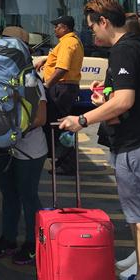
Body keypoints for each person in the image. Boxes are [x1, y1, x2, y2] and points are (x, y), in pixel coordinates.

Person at [59, 0, 140, 280]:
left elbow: (124, 101)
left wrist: (82, 120)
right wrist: (105, 95)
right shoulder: (138, 45)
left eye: (92, 26)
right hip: (138, 142)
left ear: (104, 21)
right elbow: (125, 96)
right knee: (137, 220)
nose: (92, 33)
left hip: (137, 145)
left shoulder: (124, 49)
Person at [0, 26, 47, 266]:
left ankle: (34, 243)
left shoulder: (32, 81)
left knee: (28, 196)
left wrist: (13, 130)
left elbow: (40, 118)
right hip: (5, 146)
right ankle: (8, 239)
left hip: (29, 150)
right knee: (9, 195)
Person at [35, 15, 84, 175]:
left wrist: (46, 85)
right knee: (59, 125)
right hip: (64, 87)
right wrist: (46, 59)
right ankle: (62, 160)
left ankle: (67, 163)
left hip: (60, 88)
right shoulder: (70, 41)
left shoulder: (68, 43)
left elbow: (62, 68)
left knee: (59, 126)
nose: (55, 29)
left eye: (57, 26)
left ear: (65, 27)